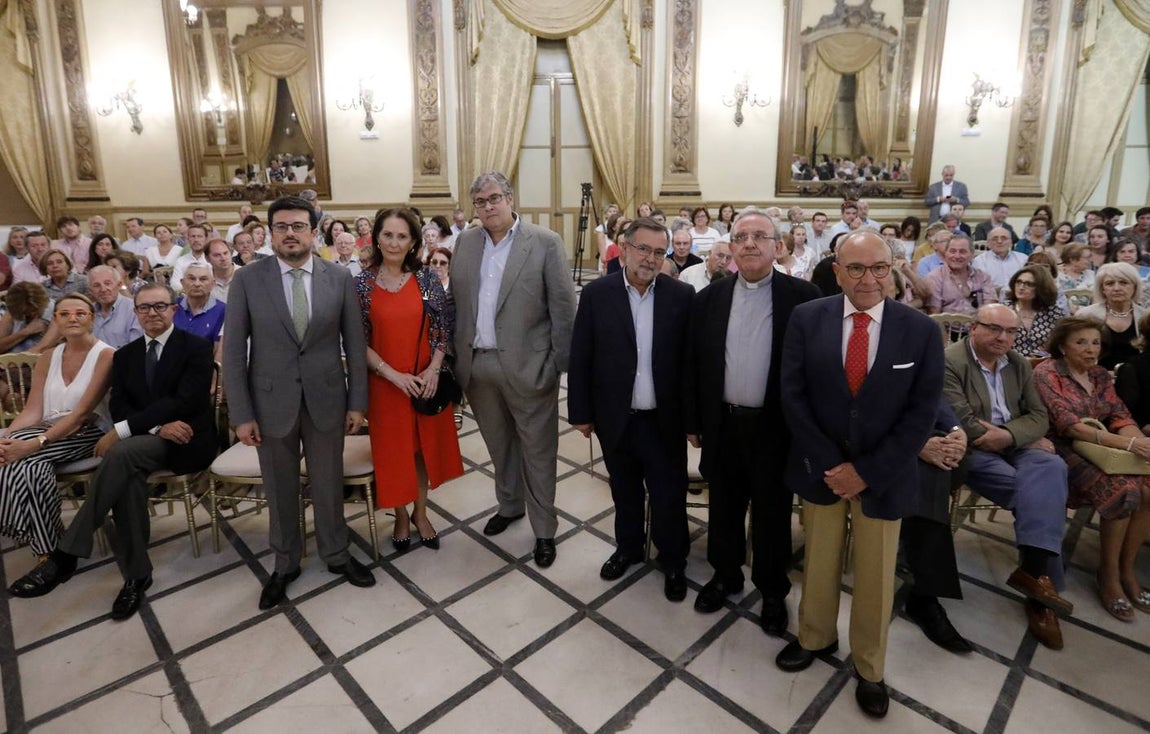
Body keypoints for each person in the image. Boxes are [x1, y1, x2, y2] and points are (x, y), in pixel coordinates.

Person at [776, 231, 943, 718]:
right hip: (822, 471)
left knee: (875, 577)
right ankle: (814, 637)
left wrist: (866, 472)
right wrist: (833, 466)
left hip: (884, 477)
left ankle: (870, 668)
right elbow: (794, 395)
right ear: (836, 271)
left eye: (879, 268)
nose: (869, 279)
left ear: (892, 269)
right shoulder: (808, 318)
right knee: (819, 562)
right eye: (856, 269)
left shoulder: (920, 330)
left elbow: (920, 414)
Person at [7, 285, 217, 619]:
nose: (152, 313)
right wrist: (152, 428)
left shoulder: (196, 348)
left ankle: (65, 555)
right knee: (126, 476)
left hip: (188, 439)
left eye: (160, 306)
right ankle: (136, 576)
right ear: (135, 313)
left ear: (174, 310)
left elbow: (184, 401)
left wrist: (122, 431)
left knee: (119, 454)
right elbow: (119, 405)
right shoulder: (126, 355)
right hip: (147, 439)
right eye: (144, 308)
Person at [222, 195, 374, 610]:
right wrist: (241, 414)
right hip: (270, 403)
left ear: (313, 230)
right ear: (270, 234)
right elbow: (234, 352)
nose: (290, 234)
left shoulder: (338, 278)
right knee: (280, 486)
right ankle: (285, 563)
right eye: (282, 227)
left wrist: (357, 402)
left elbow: (355, 346)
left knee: (328, 484)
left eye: (298, 226)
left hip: (327, 398)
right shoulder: (248, 281)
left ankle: (337, 554)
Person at [684, 207, 821, 632]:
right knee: (723, 507)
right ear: (730, 248)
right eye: (741, 236)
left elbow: (816, 373)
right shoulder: (708, 299)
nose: (749, 244)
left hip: (775, 429)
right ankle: (725, 576)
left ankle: (773, 589)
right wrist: (694, 420)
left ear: (778, 247)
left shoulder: (805, 299)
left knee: (771, 513)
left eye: (759, 236)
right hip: (722, 424)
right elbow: (695, 364)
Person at [449, 171, 576, 567]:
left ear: (509, 197)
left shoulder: (544, 243)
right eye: (480, 202)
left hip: (529, 368)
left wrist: (557, 366)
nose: (488, 208)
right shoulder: (467, 243)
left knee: (538, 451)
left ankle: (543, 529)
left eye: (494, 199)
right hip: (478, 366)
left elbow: (563, 310)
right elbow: (456, 301)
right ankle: (510, 505)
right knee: (499, 444)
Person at [569, 218, 695, 601]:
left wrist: (692, 420)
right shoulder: (597, 294)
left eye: (659, 252)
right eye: (643, 249)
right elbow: (581, 356)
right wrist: (581, 413)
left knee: (669, 494)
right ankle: (628, 548)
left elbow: (691, 364)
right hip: (615, 417)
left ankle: (673, 560)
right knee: (624, 491)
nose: (651, 259)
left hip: (663, 420)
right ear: (624, 249)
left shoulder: (681, 295)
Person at [943, 304, 1072, 649]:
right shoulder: (951, 361)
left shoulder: (1017, 364)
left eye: (1011, 331)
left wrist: (1010, 436)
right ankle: (1042, 588)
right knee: (1042, 493)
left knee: (1053, 467)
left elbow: (1039, 416)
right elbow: (964, 423)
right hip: (974, 450)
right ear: (974, 327)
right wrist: (1014, 434)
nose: (1004, 338)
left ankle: (1033, 575)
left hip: (1013, 443)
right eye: (994, 329)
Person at [354, 208, 463, 552]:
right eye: (388, 235)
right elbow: (357, 341)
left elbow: (442, 329)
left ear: (414, 241)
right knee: (393, 453)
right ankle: (400, 515)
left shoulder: (426, 280)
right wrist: (392, 374)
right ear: (377, 237)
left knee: (420, 452)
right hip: (385, 383)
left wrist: (433, 370)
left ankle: (420, 512)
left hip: (424, 382)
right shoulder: (362, 285)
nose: (394, 242)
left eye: (402, 236)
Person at [1035, 317, 1150, 622]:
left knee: (1148, 488)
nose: (1091, 349)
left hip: (1104, 449)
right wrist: (1128, 446)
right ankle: (1108, 576)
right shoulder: (1048, 372)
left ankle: (1128, 570)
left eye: (1096, 342)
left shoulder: (1099, 375)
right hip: (1061, 448)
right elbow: (1068, 425)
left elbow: (1119, 415)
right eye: (1081, 342)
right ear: (1062, 345)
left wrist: (1139, 442)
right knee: (1125, 490)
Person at [0, 294, 113, 561]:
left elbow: (82, 413)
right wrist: (8, 438)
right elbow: (32, 411)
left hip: (88, 431)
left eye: (80, 313)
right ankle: (50, 547)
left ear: (91, 318)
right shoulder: (48, 356)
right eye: (64, 314)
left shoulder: (106, 355)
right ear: (56, 320)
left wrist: (33, 443)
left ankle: (25, 532)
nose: (72, 318)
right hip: (47, 428)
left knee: (25, 457)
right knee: (29, 465)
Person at [1077, 262, 1146, 370]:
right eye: (1110, 284)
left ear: (1135, 287)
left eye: (1123, 283)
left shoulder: (1145, 316)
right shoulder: (1086, 315)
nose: (1116, 288)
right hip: (1095, 378)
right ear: (1102, 289)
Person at [924, 234, 998, 316]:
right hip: (947, 327)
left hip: (979, 326)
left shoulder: (983, 277)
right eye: (952, 251)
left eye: (962, 252)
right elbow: (935, 315)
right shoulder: (934, 278)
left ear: (972, 254)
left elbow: (990, 310)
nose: (957, 256)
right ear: (946, 254)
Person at [1004, 266, 1066, 357]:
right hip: (1009, 363)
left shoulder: (1054, 313)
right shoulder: (1003, 310)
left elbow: (1061, 344)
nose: (1021, 287)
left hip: (1043, 364)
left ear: (1041, 287)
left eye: (1029, 284)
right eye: (1018, 282)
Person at [88, 265, 143, 348]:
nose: (103, 289)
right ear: (90, 290)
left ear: (119, 284)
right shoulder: (87, 312)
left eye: (107, 283)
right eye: (96, 285)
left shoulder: (135, 309)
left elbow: (136, 349)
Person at [1057, 243, 1095, 313]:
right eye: (1087, 257)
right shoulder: (1055, 275)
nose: (1091, 260)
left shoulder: (1092, 275)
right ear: (1073, 260)